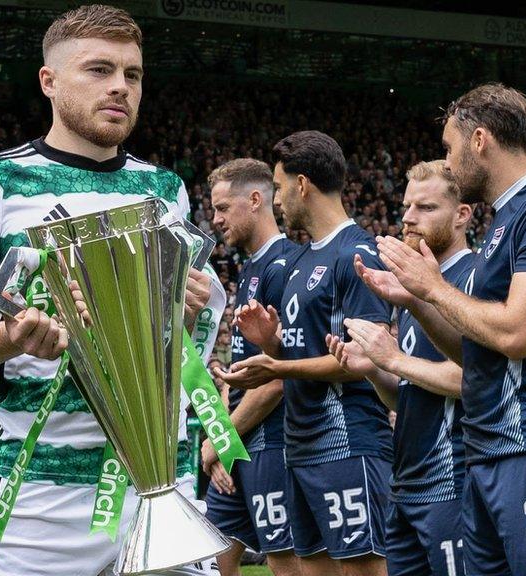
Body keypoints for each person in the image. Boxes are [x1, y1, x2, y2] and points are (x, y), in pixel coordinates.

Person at [0, 5, 224, 575]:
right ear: (49, 81)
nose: (120, 87)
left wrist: (183, 313)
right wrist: (12, 337)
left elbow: (167, 347)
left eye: (132, 75)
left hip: (162, 477)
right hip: (46, 493)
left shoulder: (164, 189)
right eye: (99, 70)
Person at [361, 84, 526, 576]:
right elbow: (475, 355)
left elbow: (517, 335)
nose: (447, 164)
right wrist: (419, 299)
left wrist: (434, 288)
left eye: (450, 148)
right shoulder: (504, 221)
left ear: (480, 140)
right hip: (486, 454)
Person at [223, 131, 392, 576]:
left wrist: (275, 365)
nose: (277, 200)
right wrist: (270, 343)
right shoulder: (300, 261)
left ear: (302, 185)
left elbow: (366, 358)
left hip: (347, 442)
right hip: (299, 447)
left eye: (279, 187)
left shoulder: (357, 253)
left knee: (364, 569)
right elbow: (297, 354)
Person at [326, 160, 473, 576]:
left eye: (425, 208)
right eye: (407, 206)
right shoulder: (412, 287)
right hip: (406, 484)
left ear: (462, 215)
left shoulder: (471, 279)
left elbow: (471, 377)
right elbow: (406, 394)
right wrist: (375, 368)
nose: (408, 218)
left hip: (452, 483)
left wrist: (394, 359)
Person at [204, 159, 302, 576]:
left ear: (256, 199)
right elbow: (240, 372)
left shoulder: (287, 267)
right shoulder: (249, 271)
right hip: (241, 446)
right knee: (213, 555)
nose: (215, 218)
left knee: (287, 563)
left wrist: (222, 442)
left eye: (223, 207)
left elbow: (280, 377)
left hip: (275, 446)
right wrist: (224, 444)